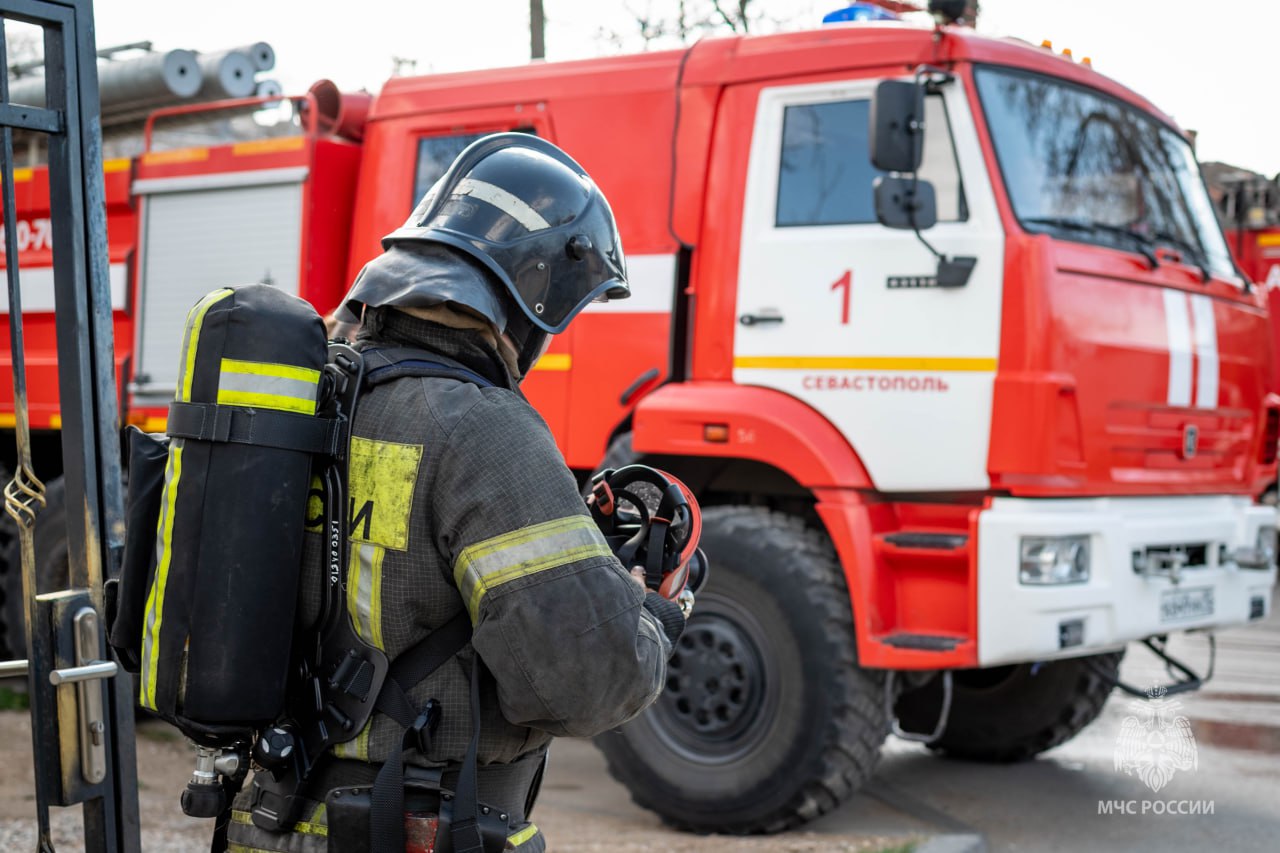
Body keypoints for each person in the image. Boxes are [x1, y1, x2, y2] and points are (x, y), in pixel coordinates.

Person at [225, 134, 685, 852]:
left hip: (269, 819)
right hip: (401, 830)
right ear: (528, 303)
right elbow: (584, 683)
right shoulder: (483, 430)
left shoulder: (314, 395)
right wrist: (655, 613)